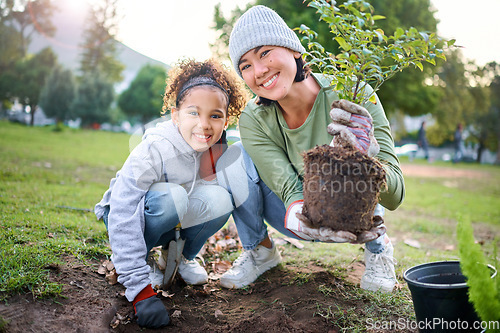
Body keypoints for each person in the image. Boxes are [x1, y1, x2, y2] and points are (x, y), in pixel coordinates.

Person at [216, 5, 405, 293]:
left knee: (359, 161)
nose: (259, 71)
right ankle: (260, 251)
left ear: (293, 49)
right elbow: (289, 187)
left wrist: (368, 159)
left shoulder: (354, 94)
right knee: (232, 154)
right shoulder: (254, 119)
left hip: (352, 212)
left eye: (264, 52)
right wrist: (299, 217)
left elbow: (396, 195)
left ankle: (378, 251)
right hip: (296, 212)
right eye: (245, 65)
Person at [94, 59, 247, 328]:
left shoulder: (215, 148)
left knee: (222, 200)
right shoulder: (155, 147)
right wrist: (140, 290)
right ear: (175, 115)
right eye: (193, 113)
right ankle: (139, 263)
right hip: (127, 216)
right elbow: (123, 207)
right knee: (173, 197)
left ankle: (178, 257)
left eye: (215, 115)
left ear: (226, 119)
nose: (204, 125)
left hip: (170, 215)